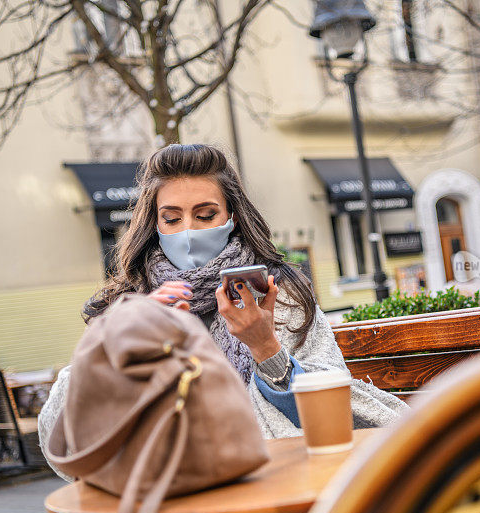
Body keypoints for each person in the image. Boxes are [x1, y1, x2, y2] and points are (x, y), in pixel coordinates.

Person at [38, 144, 405, 460]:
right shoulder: (128, 303)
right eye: (171, 218)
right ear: (154, 224)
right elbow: (60, 431)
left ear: (231, 215)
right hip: (169, 491)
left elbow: (337, 409)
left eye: (205, 215)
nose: (189, 231)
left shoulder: (277, 293)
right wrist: (123, 340)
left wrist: (266, 349)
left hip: (274, 480)